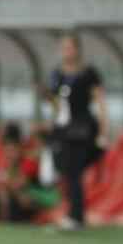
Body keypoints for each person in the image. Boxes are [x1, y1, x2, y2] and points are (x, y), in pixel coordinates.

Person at [43, 34, 109, 230]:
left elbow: (100, 102)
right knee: (65, 169)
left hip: (82, 128)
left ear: (77, 50)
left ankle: (76, 216)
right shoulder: (57, 74)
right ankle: (72, 213)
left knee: (74, 170)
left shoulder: (88, 73)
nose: (66, 52)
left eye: (70, 47)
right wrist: (47, 99)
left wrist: (103, 132)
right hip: (63, 128)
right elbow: (57, 106)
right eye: (63, 48)